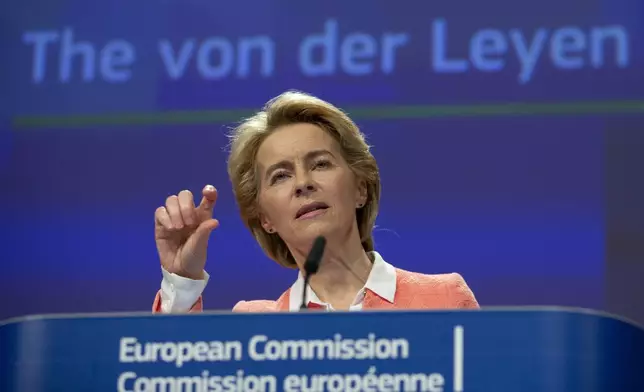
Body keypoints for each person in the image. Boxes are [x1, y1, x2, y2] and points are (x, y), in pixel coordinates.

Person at [152, 91, 479, 313]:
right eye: (280, 176)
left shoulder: (443, 299)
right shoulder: (254, 325)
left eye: (320, 163)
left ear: (360, 188)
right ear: (265, 217)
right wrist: (180, 281)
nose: (303, 183)